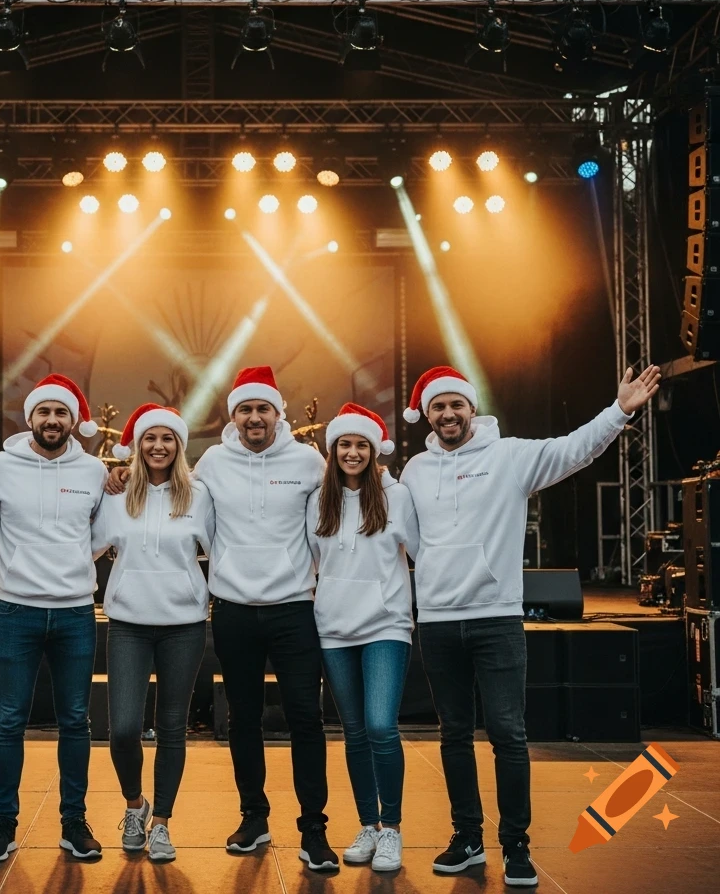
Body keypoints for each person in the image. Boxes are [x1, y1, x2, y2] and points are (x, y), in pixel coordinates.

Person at [399, 363, 661, 888]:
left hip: (496, 618)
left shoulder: (510, 457)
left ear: (473, 408)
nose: (448, 414)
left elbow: (573, 449)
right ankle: (467, 838)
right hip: (438, 623)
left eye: (456, 405)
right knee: (453, 733)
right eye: (438, 407)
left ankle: (515, 845)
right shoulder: (414, 472)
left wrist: (618, 411)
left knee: (508, 734)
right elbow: (407, 539)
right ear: (426, 416)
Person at [110, 366, 337, 870]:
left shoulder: (306, 461)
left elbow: (326, 525)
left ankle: (314, 828)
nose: (254, 417)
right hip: (233, 611)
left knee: (305, 718)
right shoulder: (212, 461)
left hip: (294, 608)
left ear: (279, 413)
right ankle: (254, 817)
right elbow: (172, 492)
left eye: (263, 409)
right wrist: (121, 472)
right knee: (243, 720)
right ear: (234, 416)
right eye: (245, 409)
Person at [0, 373, 108, 864]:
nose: (52, 420)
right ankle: (3, 823)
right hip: (16, 611)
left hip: (75, 611)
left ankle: (74, 822)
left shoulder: (93, 471)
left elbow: (101, 532)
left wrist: (71, 562)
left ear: (75, 421)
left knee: (76, 720)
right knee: (8, 720)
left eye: (62, 413)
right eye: (44, 412)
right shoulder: (0, 467)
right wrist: (23, 560)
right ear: (30, 417)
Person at [91, 403, 214, 862]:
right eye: (150, 438)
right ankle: (134, 806)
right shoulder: (117, 497)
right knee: (123, 729)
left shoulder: (199, 496)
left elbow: (223, 549)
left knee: (171, 728)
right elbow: (87, 546)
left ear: (179, 446)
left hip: (183, 626)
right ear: (138, 445)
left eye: (167, 439)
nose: (158, 446)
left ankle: (161, 821)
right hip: (128, 625)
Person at [306, 404, 419, 872]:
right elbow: (315, 559)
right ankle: (368, 826)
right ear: (333, 452)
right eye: (344, 445)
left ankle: (391, 829)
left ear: (374, 452)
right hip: (333, 628)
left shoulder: (397, 497)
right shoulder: (318, 500)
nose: (352, 452)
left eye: (361, 445)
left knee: (379, 725)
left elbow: (420, 551)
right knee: (353, 732)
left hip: (386, 625)